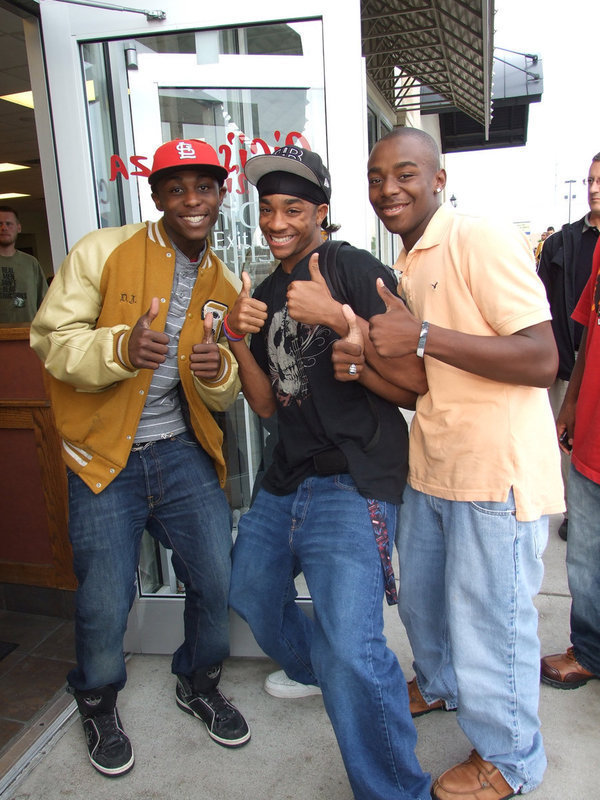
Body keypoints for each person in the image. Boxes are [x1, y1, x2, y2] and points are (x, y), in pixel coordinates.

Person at [30, 139, 250, 778]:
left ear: (219, 195)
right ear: (155, 197)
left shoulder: (223, 280)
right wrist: (123, 348)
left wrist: (215, 372)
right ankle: (97, 701)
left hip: (179, 452)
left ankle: (198, 681)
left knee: (215, 574)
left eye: (203, 188)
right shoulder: (102, 250)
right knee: (104, 597)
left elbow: (226, 383)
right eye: (176, 188)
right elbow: (52, 342)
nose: (191, 201)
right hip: (104, 455)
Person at [226, 145, 431, 800]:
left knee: (353, 647)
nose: (277, 221)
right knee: (251, 590)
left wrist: (344, 321)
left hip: (353, 478)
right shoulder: (262, 294)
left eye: (293, 208)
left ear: (320, 211)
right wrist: (237, 340)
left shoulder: (350, 267)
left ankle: (395, 790)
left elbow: (415, 379)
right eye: (267, 209)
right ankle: (320, 670)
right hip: (285, 479)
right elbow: (263, 402)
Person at [367, 128, 563, 800]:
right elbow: (427, 381)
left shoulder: (478, 238)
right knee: (424, 605)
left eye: (405, 173)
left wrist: (419, 333)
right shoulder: (409, 261)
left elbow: (542, 358)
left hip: (492, 471)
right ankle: (446, 687)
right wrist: (367, 354)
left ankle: (510, 760)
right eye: (377, 177)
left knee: (492, 620)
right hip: (434, 464)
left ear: (439, 180)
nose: (388, 188)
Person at [540, 237, 600, 690]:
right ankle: (589, 651)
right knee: (584, 558)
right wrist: (572, 403)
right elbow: (588, 334)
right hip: (592, 437)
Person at [538, 153, 600, 540]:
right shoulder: (563, 242)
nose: (594, 189)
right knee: (563, 435)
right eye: (591, 181)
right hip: (567, 356)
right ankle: (576, 511)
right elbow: (540, 299)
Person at [0, 205, 47, 322]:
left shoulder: (31, 263)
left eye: (9, 224)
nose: (4, 228)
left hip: (28, 334)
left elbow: (45, 302)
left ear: (19, 228)